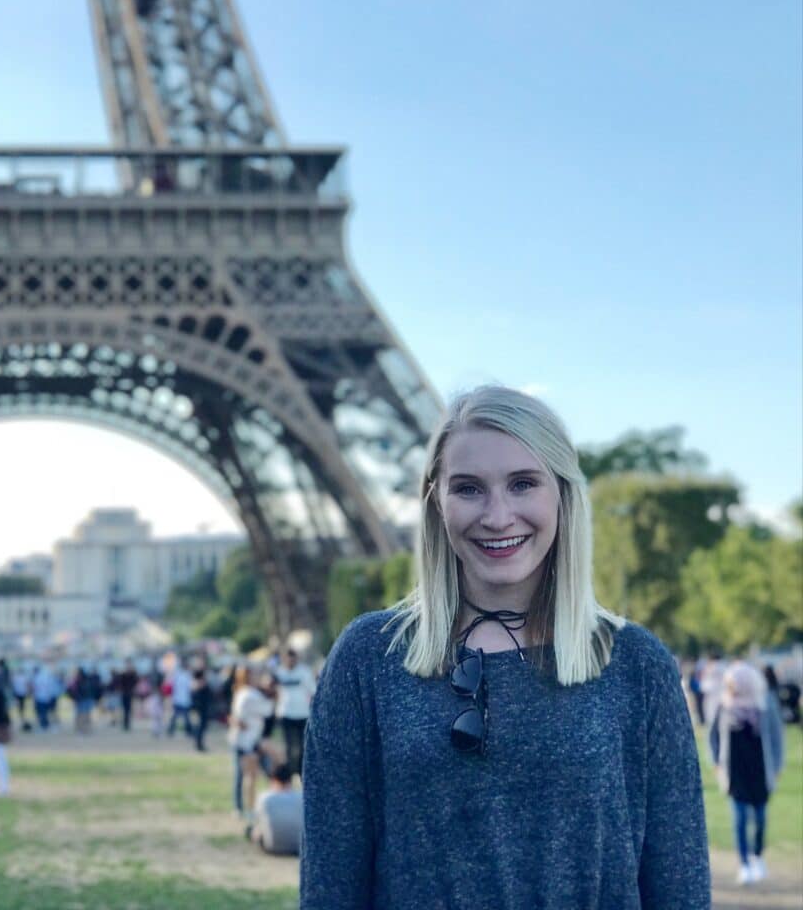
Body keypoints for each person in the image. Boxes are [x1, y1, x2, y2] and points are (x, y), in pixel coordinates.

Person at [301, 386, 711, 909]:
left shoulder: (636, 665)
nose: (497, 516)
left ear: (562, 494)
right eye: (469, 489)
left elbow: (680, 889)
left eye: (522, 484)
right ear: (436, 502)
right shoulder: (367, 659)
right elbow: (329, 889)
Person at [709, 661, 785, 886]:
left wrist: (778, 766)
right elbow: (713, 736)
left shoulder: (765, 704)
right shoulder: (724, 706)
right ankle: (744, 864)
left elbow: (776, 737)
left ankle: (757, 856)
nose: (731, 688)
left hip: (760, 772)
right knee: (740, 819)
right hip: (736, 774)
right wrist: (716, 762)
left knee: (760, 819)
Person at [228, 665, 279, 821]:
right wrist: (276, 695)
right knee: (251, 776)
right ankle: (250, 809)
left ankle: (242, 808)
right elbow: (268, 710)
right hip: (247, 742)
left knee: (243, 776)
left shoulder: (241, 693)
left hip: (247, 740)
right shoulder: (251, 695)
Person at [273, 648, 314, 777]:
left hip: (302, 714)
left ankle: (302, 773)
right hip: (285, 713)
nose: (290, 661)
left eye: (292, 658)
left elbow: (313, 691)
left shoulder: (304, 672)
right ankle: (289, 774)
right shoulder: (278, 672)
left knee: (303, 746)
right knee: (288, 746)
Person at [250, 763, 302, 855]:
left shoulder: (264, 797)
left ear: (273, 779)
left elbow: (257, 820)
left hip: (271, 848)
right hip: (297, 847)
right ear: (290, 779)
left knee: (253, 829)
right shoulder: (300, 797)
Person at [166, 659, 194, 738]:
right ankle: (172, 730)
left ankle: (187, 731)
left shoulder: (181, 675)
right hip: (180, 699)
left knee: (183, 716)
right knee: (180, 716)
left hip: (182, 699)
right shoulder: (182, 675)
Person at [190, 664, 212, 752]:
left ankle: (199, 744)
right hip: (200, 709)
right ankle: (199, 744)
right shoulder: (198, 685)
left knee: (200, 727)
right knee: (200, 727)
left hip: (200, 708)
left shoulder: (195, 685)